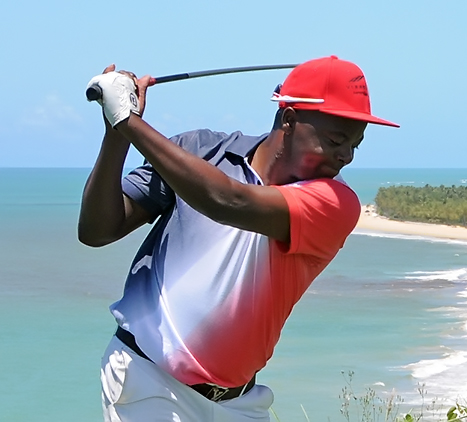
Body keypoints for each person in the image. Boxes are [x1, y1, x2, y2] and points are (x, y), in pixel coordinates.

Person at [79, 56, 399, 422]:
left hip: (240, 402)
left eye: (355, 144)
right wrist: (115, 133)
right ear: (290, 119)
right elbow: (97, 230)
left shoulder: (336, 203)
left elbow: (228, 200)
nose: (346, 156)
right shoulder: (198, 151)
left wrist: (129, 121)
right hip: (148, 379)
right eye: (336, 140)